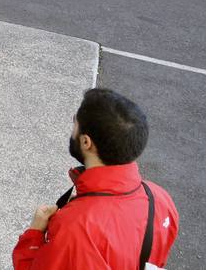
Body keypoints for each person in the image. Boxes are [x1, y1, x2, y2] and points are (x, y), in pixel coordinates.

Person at [13, 88, 177, 269]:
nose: (73, 126)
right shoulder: (161, 200)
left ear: (86, 142)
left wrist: (35, 233)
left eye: (75, 122)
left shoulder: (75, 228)